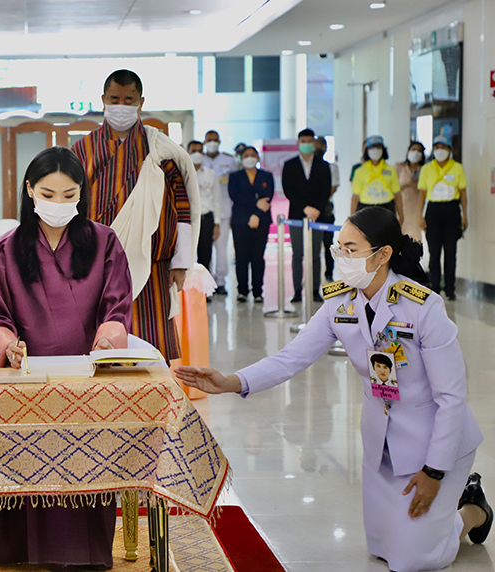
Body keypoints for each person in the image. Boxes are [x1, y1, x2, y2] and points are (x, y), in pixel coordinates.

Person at [175, 206, 492, 572]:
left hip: (435, 445)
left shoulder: (423, 308)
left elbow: (452, 397)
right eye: (339, 248)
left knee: (414, 559)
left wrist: (435, 471)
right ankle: (446, 513)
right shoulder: (340, 303)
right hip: (384, 446)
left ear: (383, 255)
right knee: (382, 548)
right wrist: (232, 382)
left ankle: (472, 509)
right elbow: (291, 357)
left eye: (351, 249)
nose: (342, 257)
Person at [0, 146, 133, 568]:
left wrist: (108, 338)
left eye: (69, 195)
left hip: (89, 379)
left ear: (82, 193)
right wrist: (8, 345)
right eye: (48, 194)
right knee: (25, 458)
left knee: (90, 460)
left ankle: (87, 551)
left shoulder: (104, 241)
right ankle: (24, 551)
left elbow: (117, 306)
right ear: (30, 189)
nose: (58, 204)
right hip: (28, 380)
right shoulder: (5, 250)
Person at [72, 69, 199, 361]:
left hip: (153, 265)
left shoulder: (161, 149)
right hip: (97, 263)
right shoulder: (83, 150)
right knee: (100, 343)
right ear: (103, 100)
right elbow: (72, 204)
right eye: (114, 99)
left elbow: (182, 206)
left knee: (152, 348)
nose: (121, 106)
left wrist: (181, 262)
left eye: (128, 100)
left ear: (141, 102)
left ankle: (155, 391)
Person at [281, 128, 332, 303]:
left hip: (317, 217)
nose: (306, 144)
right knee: (297, 254)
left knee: (315, 254)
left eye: (309, 141)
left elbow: (325, 190)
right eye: (303, 141)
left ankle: (315, 289)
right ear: (298, 143)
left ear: (314, 143)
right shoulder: (289, 165)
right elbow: (288, 190)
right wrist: (305, 208)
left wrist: (315, 210)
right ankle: (297, 291)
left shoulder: (323, 165)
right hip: (297, 216)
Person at [418, 135, 468, 301]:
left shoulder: (457, 168)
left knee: (450, 252)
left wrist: (464, 215)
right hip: (433, 210)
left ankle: (450, 288)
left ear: (449, 150)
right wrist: (420, 215)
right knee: (434, 252)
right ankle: (435, 287)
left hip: (451, 210)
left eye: (443, 147)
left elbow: (462, 193)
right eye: (437, 147)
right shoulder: (427, 168)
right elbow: (422, 193)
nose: (440, 151)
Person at [228, 146, 273, 303]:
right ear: (241, 158)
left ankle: (258, 292)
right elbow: (235, 196)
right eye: (246, 155)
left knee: (257, 257)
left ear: (258, 158)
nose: (250, 158)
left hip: (262, 221)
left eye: (253, 155)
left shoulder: (267, 176)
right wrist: (255, 203)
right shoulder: (234, 176)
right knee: (241, 257)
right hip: (240, 221)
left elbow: (267, 199)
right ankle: (242, 291)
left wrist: (257, 215)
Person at [203, 130, 237, 296]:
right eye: (209, 140)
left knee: (222, 249)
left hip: (224, 210)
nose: (212, 143)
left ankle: (221, 281)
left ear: (220, 141)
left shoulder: (228, 160)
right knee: (204, 249)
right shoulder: (199, 160)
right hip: (204, 211)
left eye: (215, 140)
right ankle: (206, 281)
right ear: (204, 142)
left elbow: (234, 186)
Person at [188, 140, 221, 294]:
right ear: (187, 152)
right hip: (187, 220)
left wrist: (217, 224)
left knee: (205, 255)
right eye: (193, 151)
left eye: (200, 151)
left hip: (206, 219)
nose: (197, 154)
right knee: (187, 255)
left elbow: (217, 199)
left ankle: (203, 291)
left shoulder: (210, 174)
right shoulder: (181, 172)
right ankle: (189, 290)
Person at [351, 135, 403, 220]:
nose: (375, 150)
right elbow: (355, 198)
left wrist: (401, 215)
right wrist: (352, 218)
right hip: (365, 208)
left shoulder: (391, 170)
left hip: (387, 207)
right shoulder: (360, 171)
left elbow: (397, 195)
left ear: (383, 150)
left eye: (378, 147)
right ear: (367, 151)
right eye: (372, 148)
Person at [315, 136, 340, 281]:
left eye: (321, 146)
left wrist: (320, 198)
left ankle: (329, 273)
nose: (318, 149)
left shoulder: (332, 167)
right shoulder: (309, 168)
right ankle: (312, 274)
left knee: (328, 242)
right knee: (312, 245)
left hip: (326, 209)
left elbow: (333, 188)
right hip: (312, 210)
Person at [397, 141, 426, 241]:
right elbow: (393, 186)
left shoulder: (424, 169)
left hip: (417, 206)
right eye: (413, 150)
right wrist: (408, 182)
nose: (416, 153)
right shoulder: (399, 167)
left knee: (415, 237)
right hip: (402, 205)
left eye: (419, 151)